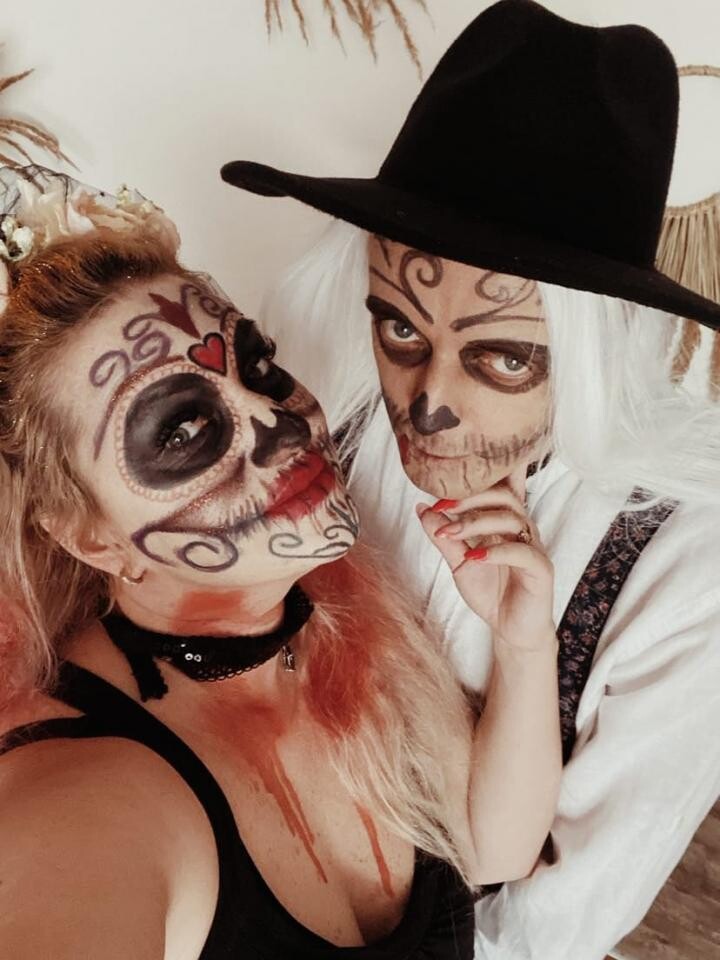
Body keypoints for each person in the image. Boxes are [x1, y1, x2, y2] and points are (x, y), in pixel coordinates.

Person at [220, 1, 720, 957]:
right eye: (399, 327)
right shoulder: (333, 418)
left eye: (501, 358)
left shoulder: (690, 566)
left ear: (593, 353)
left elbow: (550, 926)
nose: (427, 403)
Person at [0, 164, 563, 960]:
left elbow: (493, 850)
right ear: (91, 537)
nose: (278, 422)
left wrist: (524, 640)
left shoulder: (341, 630)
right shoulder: (86, 803)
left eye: (259, 368)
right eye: (183, 430)